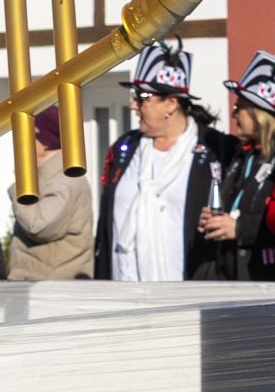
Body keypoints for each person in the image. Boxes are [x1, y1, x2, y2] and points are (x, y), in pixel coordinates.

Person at [95, 41, 236, 282]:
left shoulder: (217, 150)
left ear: (171, 103)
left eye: (142, 97)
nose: (133, 105)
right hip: (124, 290)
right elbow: (105, 227)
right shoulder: (124, 149)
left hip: (189, 291)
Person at [200, 50, 275, 282]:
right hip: (233, 275)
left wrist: (239, 228)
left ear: (259, 114)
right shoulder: (244, 155)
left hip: (269, 281)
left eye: (239, 107)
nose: (233, 114)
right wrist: (217, 218)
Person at [3, 105, 93, 280]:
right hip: (37, 285)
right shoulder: (46, 177)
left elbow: (37, 226)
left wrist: (20, 187)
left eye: (27, 137)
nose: (21, 144)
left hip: (53, 289)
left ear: (44, 142)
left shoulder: (67, 180)